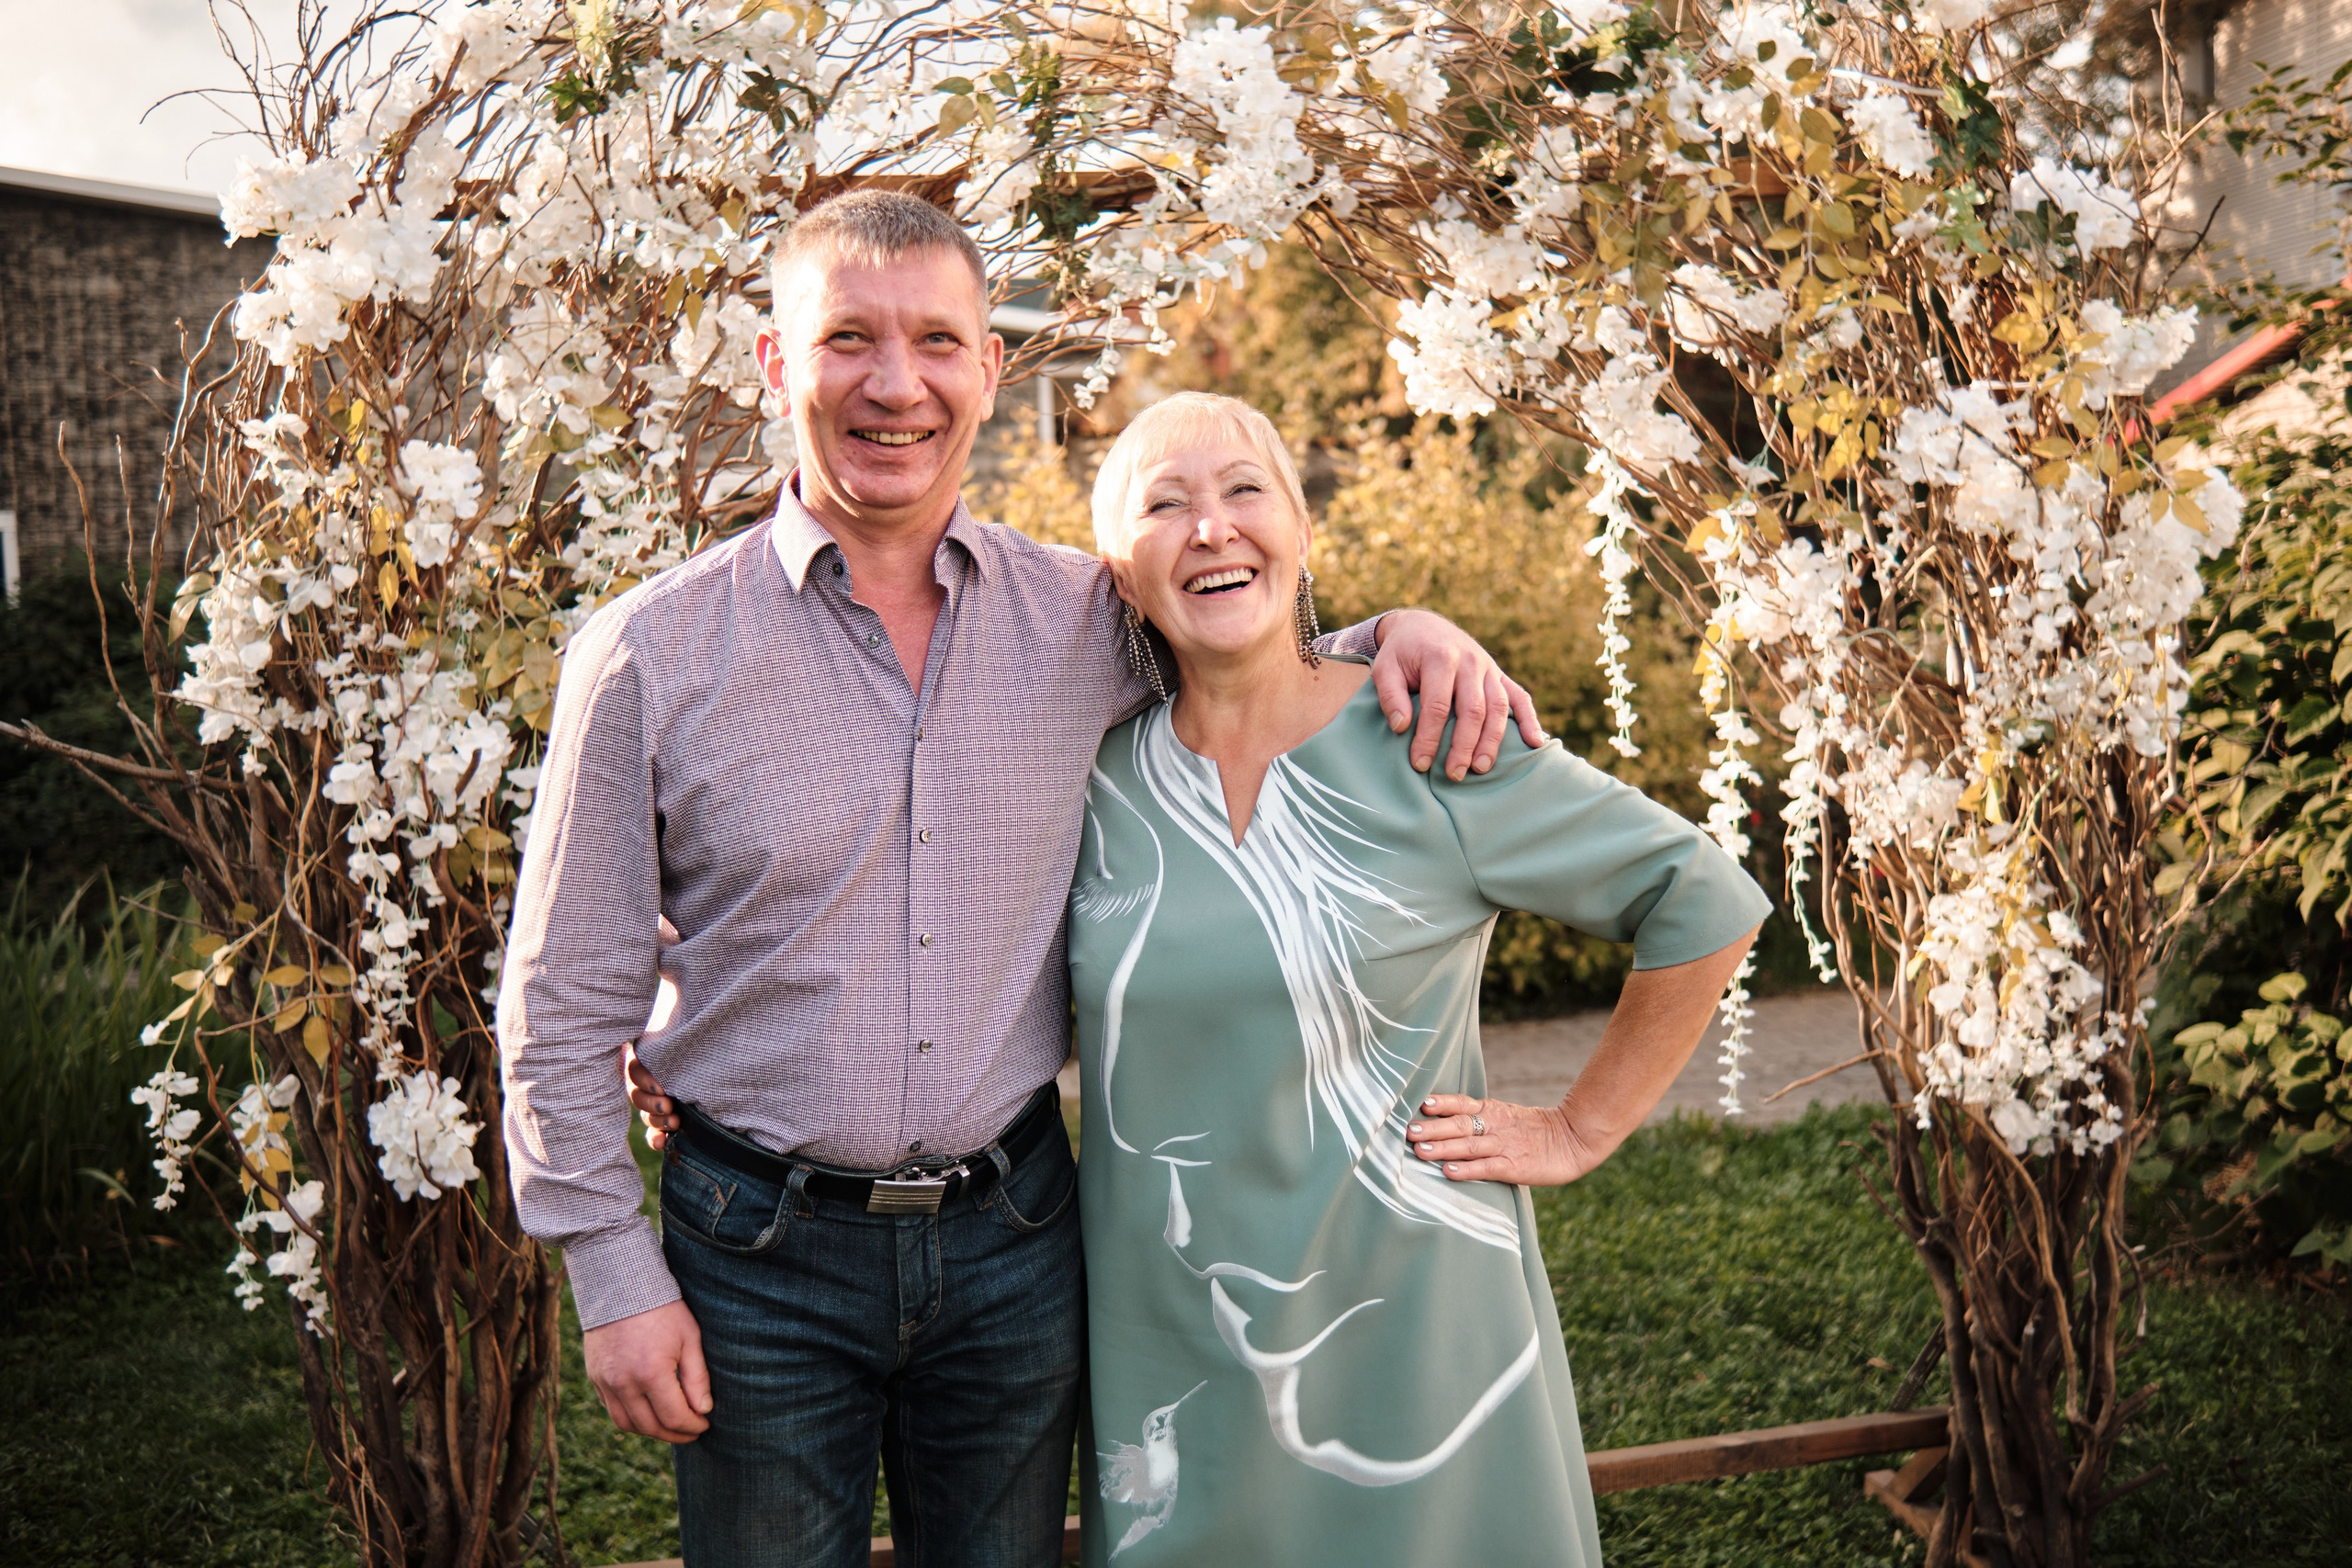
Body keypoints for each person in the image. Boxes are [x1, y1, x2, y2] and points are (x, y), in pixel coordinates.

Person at [496, 191, 1540, 1568]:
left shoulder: (1084, 620)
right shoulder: (648, 657)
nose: (895, 383)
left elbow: (1257, 659)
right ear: (775, 364)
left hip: (1017, 1238)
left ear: (990, 368)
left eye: (937, 340)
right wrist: (613, 1274)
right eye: (849, 339)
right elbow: (565, 1002)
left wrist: (1403, 631)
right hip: (755, 1252)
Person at [1062, 392, 1767, 1563]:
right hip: (1170, 1338)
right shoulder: (1089, 782)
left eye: (1245, 491)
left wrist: (1580, 1127)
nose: (1212, 528)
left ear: (1299, 530)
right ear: (1119, 575)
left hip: (1417, 1324)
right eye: (1164, 505)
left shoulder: (1427, 733)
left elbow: (1698, 897)